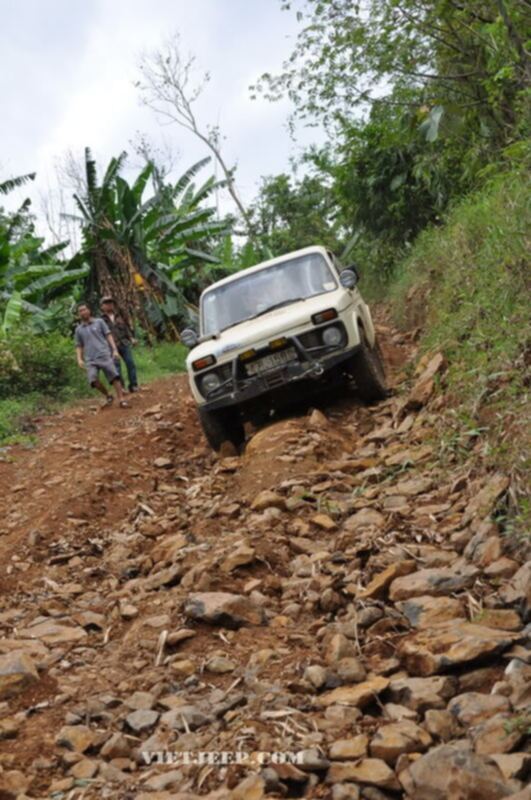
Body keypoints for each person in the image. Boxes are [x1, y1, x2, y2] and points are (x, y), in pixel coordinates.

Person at [75, 303, 129, 408]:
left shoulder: (99, 322)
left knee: (114, 377)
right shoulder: (78, 330)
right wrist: (79, 359)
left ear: (89, 310)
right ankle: (108, 395)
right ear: (78, 314)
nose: (83, 312)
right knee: (93, 380)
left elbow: (108, 335)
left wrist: (114, 350)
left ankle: (122, 399)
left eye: (84, 309)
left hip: (104, 354)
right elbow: (79, 345)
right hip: (90, 359)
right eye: (80, 311)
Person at [100, 296, 139, 393]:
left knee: (130, 363)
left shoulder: (119, 316)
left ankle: (133, 385)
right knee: (116, 367)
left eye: (111, 303)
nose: (109, 305)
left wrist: (131, 338)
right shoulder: (100, 320)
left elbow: (126, 329)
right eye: (107, 303)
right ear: (102, 306)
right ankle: (121, 388)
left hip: (124, 343)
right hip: (111, 347)